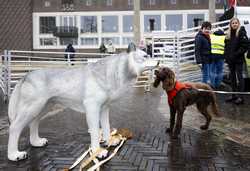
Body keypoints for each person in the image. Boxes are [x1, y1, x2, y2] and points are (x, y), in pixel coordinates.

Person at [224, 17, 249, 105]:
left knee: (240, 77)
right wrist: (226, 57)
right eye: (233, 23)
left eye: (236, 23)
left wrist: (235, 54)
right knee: (232, 78)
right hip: (230, 60)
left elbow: (245, 46)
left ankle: (241, 97)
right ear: (230, 24)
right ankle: (234, 95)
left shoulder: (241, 32)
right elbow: (226, 47)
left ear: (238, 24)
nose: (234, 24)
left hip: (238, 60)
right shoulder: (228, 34)